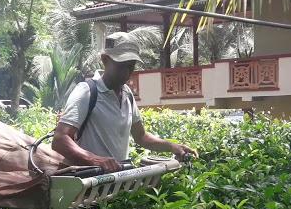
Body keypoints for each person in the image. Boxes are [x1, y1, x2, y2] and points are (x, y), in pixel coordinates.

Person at [52, 32, 196, 172]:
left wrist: (172, 146)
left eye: (131, 66)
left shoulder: (127, 94)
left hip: (118, 180)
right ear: (105, 60)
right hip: (88, 181)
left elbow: (141, 137)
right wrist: (95, 159)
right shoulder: (87, 91)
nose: (126, 73)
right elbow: (60, 139)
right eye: (121, 66)